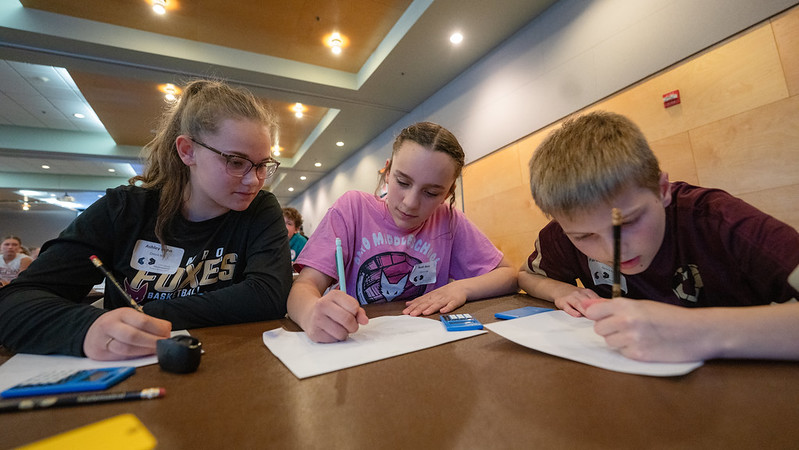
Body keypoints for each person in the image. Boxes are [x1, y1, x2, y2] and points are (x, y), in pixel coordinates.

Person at [0, 79, 293, 360]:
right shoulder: (124, 210)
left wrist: (140, 318)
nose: (254, 181)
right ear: (187, 151)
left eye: (262, 165)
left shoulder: (259, 210)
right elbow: (15, 303)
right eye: (236, 162)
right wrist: (87, 327)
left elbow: (269, 295)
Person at [519, 111, 799, 363]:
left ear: (662, 190)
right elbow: (527, 276)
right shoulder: (562, 233)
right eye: (584, 236)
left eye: (628, 222)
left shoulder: (720, 220)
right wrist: (562, 291)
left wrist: (699, 331)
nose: (612, 251)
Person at [288, 121, 518, 343]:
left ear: (448, 193)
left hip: (426, 344)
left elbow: (508, 276)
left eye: (431, 193)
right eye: (403, 182)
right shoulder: (353, 208)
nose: (410, 203)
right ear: (387, 172)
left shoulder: (448, 220)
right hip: (359, 341)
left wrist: (461, 287)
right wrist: (310, 314)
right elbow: (304, 286)